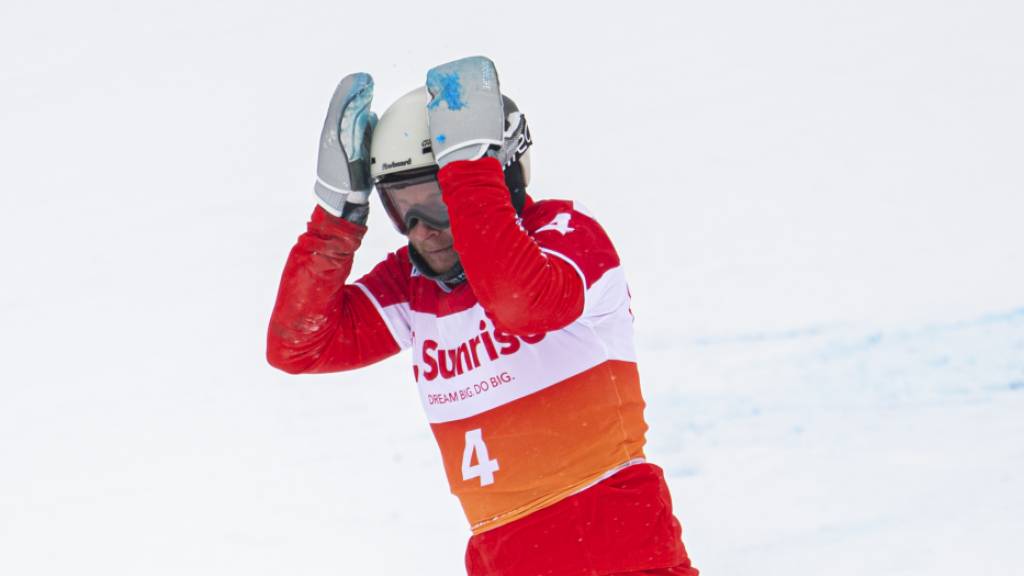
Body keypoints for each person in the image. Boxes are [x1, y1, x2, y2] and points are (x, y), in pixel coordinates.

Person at [267, 56, 698, 576]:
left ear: (497, 183)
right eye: (404, 207)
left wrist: (470, 172)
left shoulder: (565, 236)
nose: (423, 229)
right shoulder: (413, 283)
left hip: (617, 554)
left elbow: (520, 303)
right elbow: (299, 344)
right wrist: (336, 218)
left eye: (441, 202)